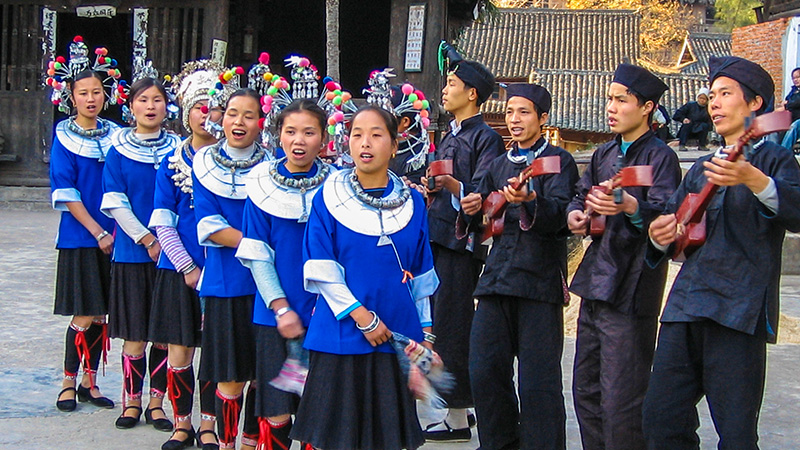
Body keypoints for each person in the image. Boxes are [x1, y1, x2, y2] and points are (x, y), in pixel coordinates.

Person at [643, 56, 800, 449]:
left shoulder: (774, 159)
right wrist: (660, 235)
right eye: (711, 95)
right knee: (661, 418)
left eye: (725, 94)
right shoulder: (700, 169)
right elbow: (674, 232)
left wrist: (754, 179)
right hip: (687, 303)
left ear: (755, 104)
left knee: (736, 431)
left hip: (739, 308)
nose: (713, 103)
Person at [290, 105, 439, 450]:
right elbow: (320, 268)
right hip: (340, 334)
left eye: (376, 135)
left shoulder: (413, 204)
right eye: (357, 135)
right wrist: (362, 317)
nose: (365, 143)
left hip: (396, 335)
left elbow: (420, 276)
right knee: (334, 436)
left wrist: (426, 337)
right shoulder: (328, 198)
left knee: (385, 437)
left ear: (394, 144)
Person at [566, 63, 682, 450]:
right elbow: (580, 195)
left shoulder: (661, 158)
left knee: (622, 400)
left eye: (621, 100)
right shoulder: (604, 154)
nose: (611, 107)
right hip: (596, 283)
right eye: (609, 99)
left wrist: (633, 207)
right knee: (586, 391)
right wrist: (577, 214)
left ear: (647, 107)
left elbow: (668, 214)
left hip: (632, 290)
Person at [459, 83, 578, 449]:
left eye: (524, 112)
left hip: (540, 280)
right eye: (510, 112)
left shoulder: (558, 161)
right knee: (484, 371)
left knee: (538, 383)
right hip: (496, 279)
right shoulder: (495, 164)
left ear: (543, 118)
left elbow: (561, 216)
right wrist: (473, 209)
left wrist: (530, 200)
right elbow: (478, 221)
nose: (515, 119)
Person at [236, 98, 332, 450]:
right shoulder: (261, 186)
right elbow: (257, 254)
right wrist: (280, 307)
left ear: (323, 138)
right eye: (291, 131)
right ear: (278, 136)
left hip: (326, 313)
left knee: (317, 408)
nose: (299, 140)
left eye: (309, 132)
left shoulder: (339, 186)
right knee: (276, 410)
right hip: (274, 314)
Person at [420, 44, 505, 441]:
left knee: (453, 326)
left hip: (460, 244)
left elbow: (486, 193)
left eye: (452, 83)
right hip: (437, 238)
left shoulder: (486, 138)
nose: (445, 89)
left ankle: (456, 417)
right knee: (439, 323)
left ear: (472, 93)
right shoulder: (451, 134)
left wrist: (455, 187)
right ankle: (454, 411)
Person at [147, 60, 223, 450]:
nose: (207, 116)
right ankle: (182, 423)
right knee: (180, 349)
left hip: (224, 272)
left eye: (215, 108)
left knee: (213, 350)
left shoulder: (238, 162)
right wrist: (188, 267)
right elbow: (163, 220)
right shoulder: (172, 161)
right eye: (199, 107)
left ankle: (209, 424)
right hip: (179, 269)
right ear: (185, 111)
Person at [48, 36, 123, 413]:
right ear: (71, 97)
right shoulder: (62, 135)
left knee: (103, 313)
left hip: (116, 234)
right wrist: (96, 231)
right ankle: (67, 380)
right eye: (83, 93)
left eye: (97, 92)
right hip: (81, 236)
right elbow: (66, 191)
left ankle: (90, 382)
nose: (91, 99)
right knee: (85, 311)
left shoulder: (118, 136)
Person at [101, 76, 181, 432]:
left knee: (163, 333)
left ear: (168, 106)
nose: (151, 106)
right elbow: (115, 202)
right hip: (132, 253)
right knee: (135, 334)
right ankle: (131, 401)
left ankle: (156, 402)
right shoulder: (117, 150)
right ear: (130, 106)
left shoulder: (178, 150)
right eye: (143, 100)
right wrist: (147, 239)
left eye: (158, 100)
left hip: (172, 255)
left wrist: (167, 243)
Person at [194, 88, 267, 450]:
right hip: (225, 284)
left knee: (261, 375)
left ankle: (252, 442)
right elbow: (210, 226)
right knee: (230, 377)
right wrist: (262, 246)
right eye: (232, 113)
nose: (239, 122)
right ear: (221, 119)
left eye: (248, 115)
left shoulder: (275, 167)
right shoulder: (204, 164)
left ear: (261, 122)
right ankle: (225, 443)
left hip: (268, 288)